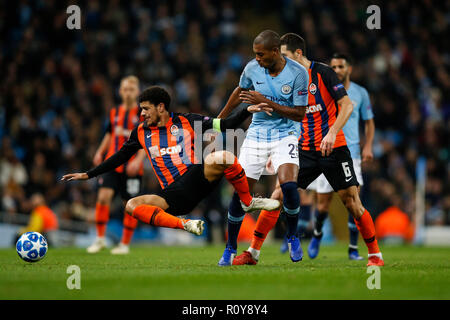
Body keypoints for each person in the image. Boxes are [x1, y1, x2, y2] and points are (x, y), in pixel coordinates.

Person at [233, 33, 384, 267]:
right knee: (278, 196)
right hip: (303, 148)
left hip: (333, 148)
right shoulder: (283, 77)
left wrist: (332, 132)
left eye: (285, 55)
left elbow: (347, 105)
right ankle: (252, 252)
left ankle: (375, 256)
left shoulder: (322, 73)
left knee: (351, 201)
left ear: (298, 54)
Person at [62, 86, 280, 244]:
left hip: (198, 177)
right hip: (174, 196)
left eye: (146, 109)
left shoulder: (187, 121)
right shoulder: (140, 132)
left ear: (161, 107)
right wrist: (89, 175)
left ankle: (248, 201)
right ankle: (186, 225)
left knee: (223, 156)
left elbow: (225, 124)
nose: (142, 114)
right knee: (132, 206)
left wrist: (247, 110)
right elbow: (119, 156)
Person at [216, 30, 309, 265]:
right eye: (255, 54)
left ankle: (292, 236)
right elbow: (240, 91)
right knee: (241, 193)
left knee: (289, 186)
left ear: (275, 52)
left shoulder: (298, 74)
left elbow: (299, 114)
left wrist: (266, 102)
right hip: (257, 135)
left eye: (261, 54)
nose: (257, 59)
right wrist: (219, 120)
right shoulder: (252, 68)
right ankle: (229, 248)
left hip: (285, 134)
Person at [304, 53, 376, 260]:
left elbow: (369, 121)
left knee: (354, 201)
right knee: (323, 204)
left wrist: (368, 146)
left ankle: (353, 248)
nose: (336, 70)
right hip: (326, 150)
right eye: (333, 67)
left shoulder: (360, 93)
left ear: (349, 69)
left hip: (350, 152)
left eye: (340, 66)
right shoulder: (325, 88)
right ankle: (317, 234)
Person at [87, 76, 147, 255]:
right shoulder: (114, 113)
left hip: (132, 167)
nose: (128, 92)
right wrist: (99, 152)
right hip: (112, 163)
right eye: (125, 89)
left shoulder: (143, 114)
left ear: (137, 92)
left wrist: (138, 160)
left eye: (131, 89)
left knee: (129, 205)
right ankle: (99, 239)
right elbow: (109, 134)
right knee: (103, 197)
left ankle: (124, 244)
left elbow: (147, 140)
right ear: (120, 91)